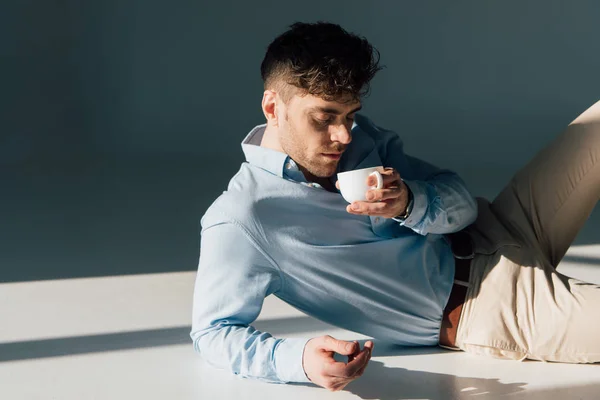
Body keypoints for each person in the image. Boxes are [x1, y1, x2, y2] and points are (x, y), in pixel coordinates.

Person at [190, 21, 600, 392]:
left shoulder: (361, 140)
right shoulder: (241, 218)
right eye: (324, 117)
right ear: (272, 107)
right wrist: (298, 360)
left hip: (503, 224)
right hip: (486, 306)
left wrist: (409, 202)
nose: (344, 135)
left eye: (350, 115)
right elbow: (213, 332)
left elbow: (460, 199)